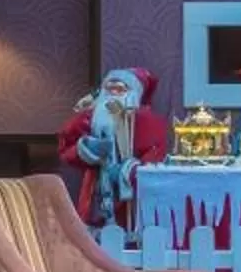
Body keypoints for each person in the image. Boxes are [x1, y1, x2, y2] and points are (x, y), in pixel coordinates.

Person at [58, 67, 173, 238]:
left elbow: (154, 161)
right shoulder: (87, 119)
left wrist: (126, 171)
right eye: (109, 89)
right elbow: (67, 148)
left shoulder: (149, 123)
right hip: (94, 191)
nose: (113, 94)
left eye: (120, 90)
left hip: (131, 200)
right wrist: (86, 149)